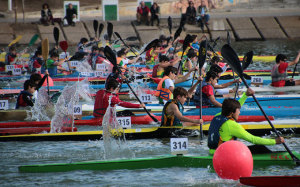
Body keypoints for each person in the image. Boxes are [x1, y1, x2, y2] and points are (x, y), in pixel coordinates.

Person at [207, 88, 285, 154]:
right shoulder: (232, 125)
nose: (239, 112)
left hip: (213, 152)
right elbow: (253, 139)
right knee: (259, 148)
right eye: (238, 111)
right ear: (231, 113)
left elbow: (234, 107)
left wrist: (245, 95)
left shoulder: (217, 116)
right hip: (224, 154)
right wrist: (274, 141)